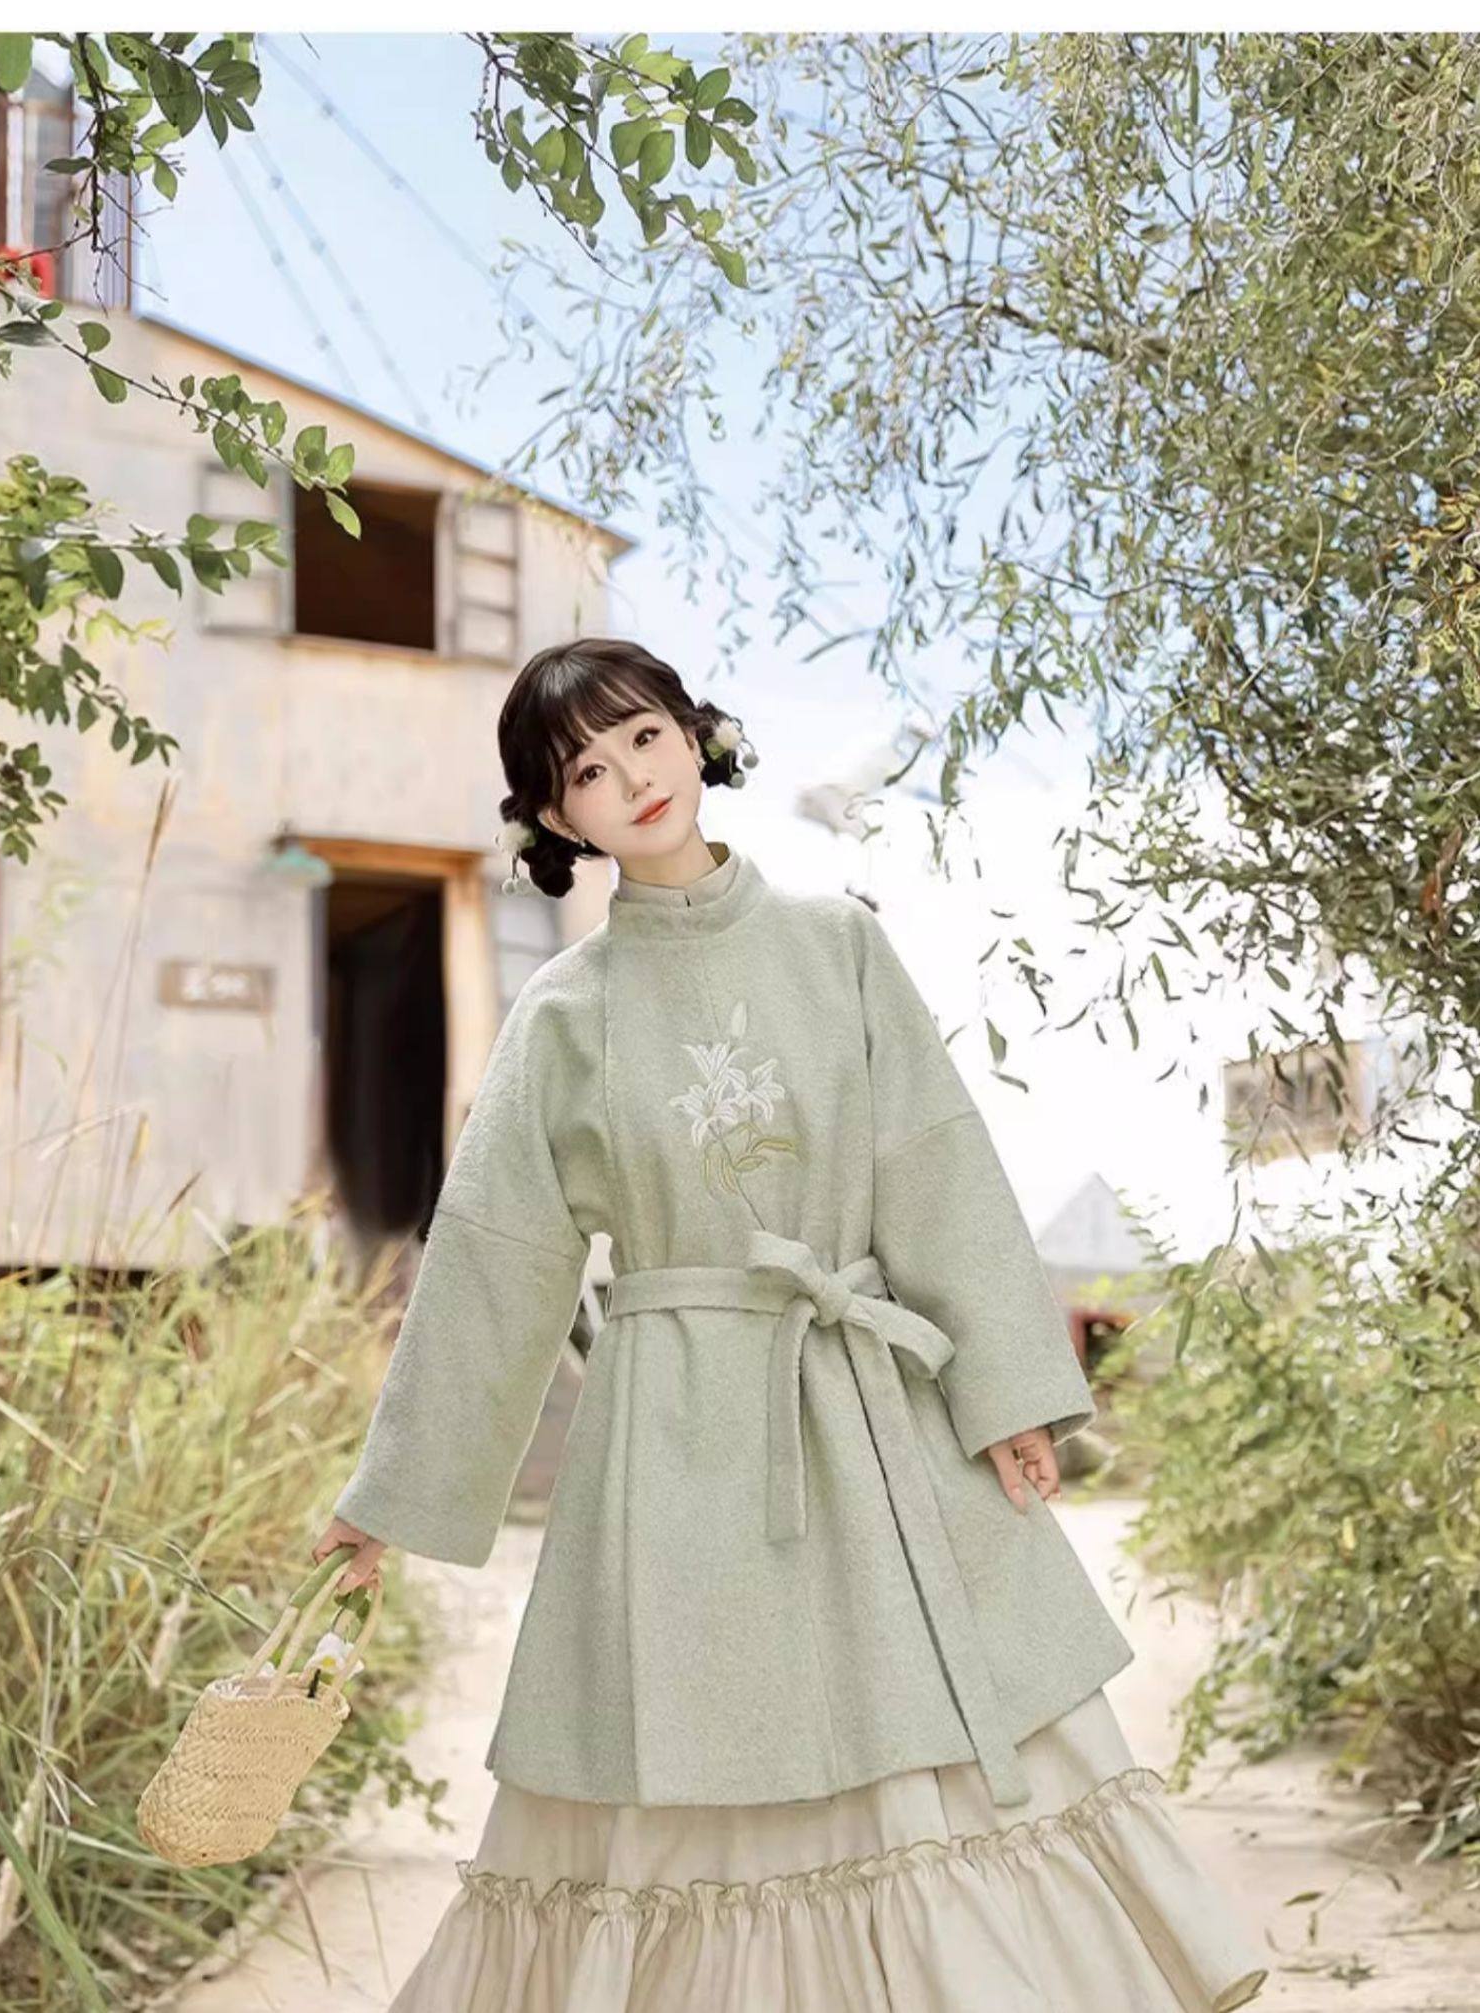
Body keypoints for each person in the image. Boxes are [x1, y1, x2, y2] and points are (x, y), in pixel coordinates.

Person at [312, 637, 1269, 2010]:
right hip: (672, 1442)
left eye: (643, 736)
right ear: (555, 818)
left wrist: (1006, 1391)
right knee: (683, 1735)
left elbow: (933, 1165)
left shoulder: (838, 945)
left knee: (921, 1711)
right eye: (586, 770)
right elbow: (494, 1263)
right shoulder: (564, 1014)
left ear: (694, 735)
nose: (631, 777)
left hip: (870, 1409)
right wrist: (392, 1498)